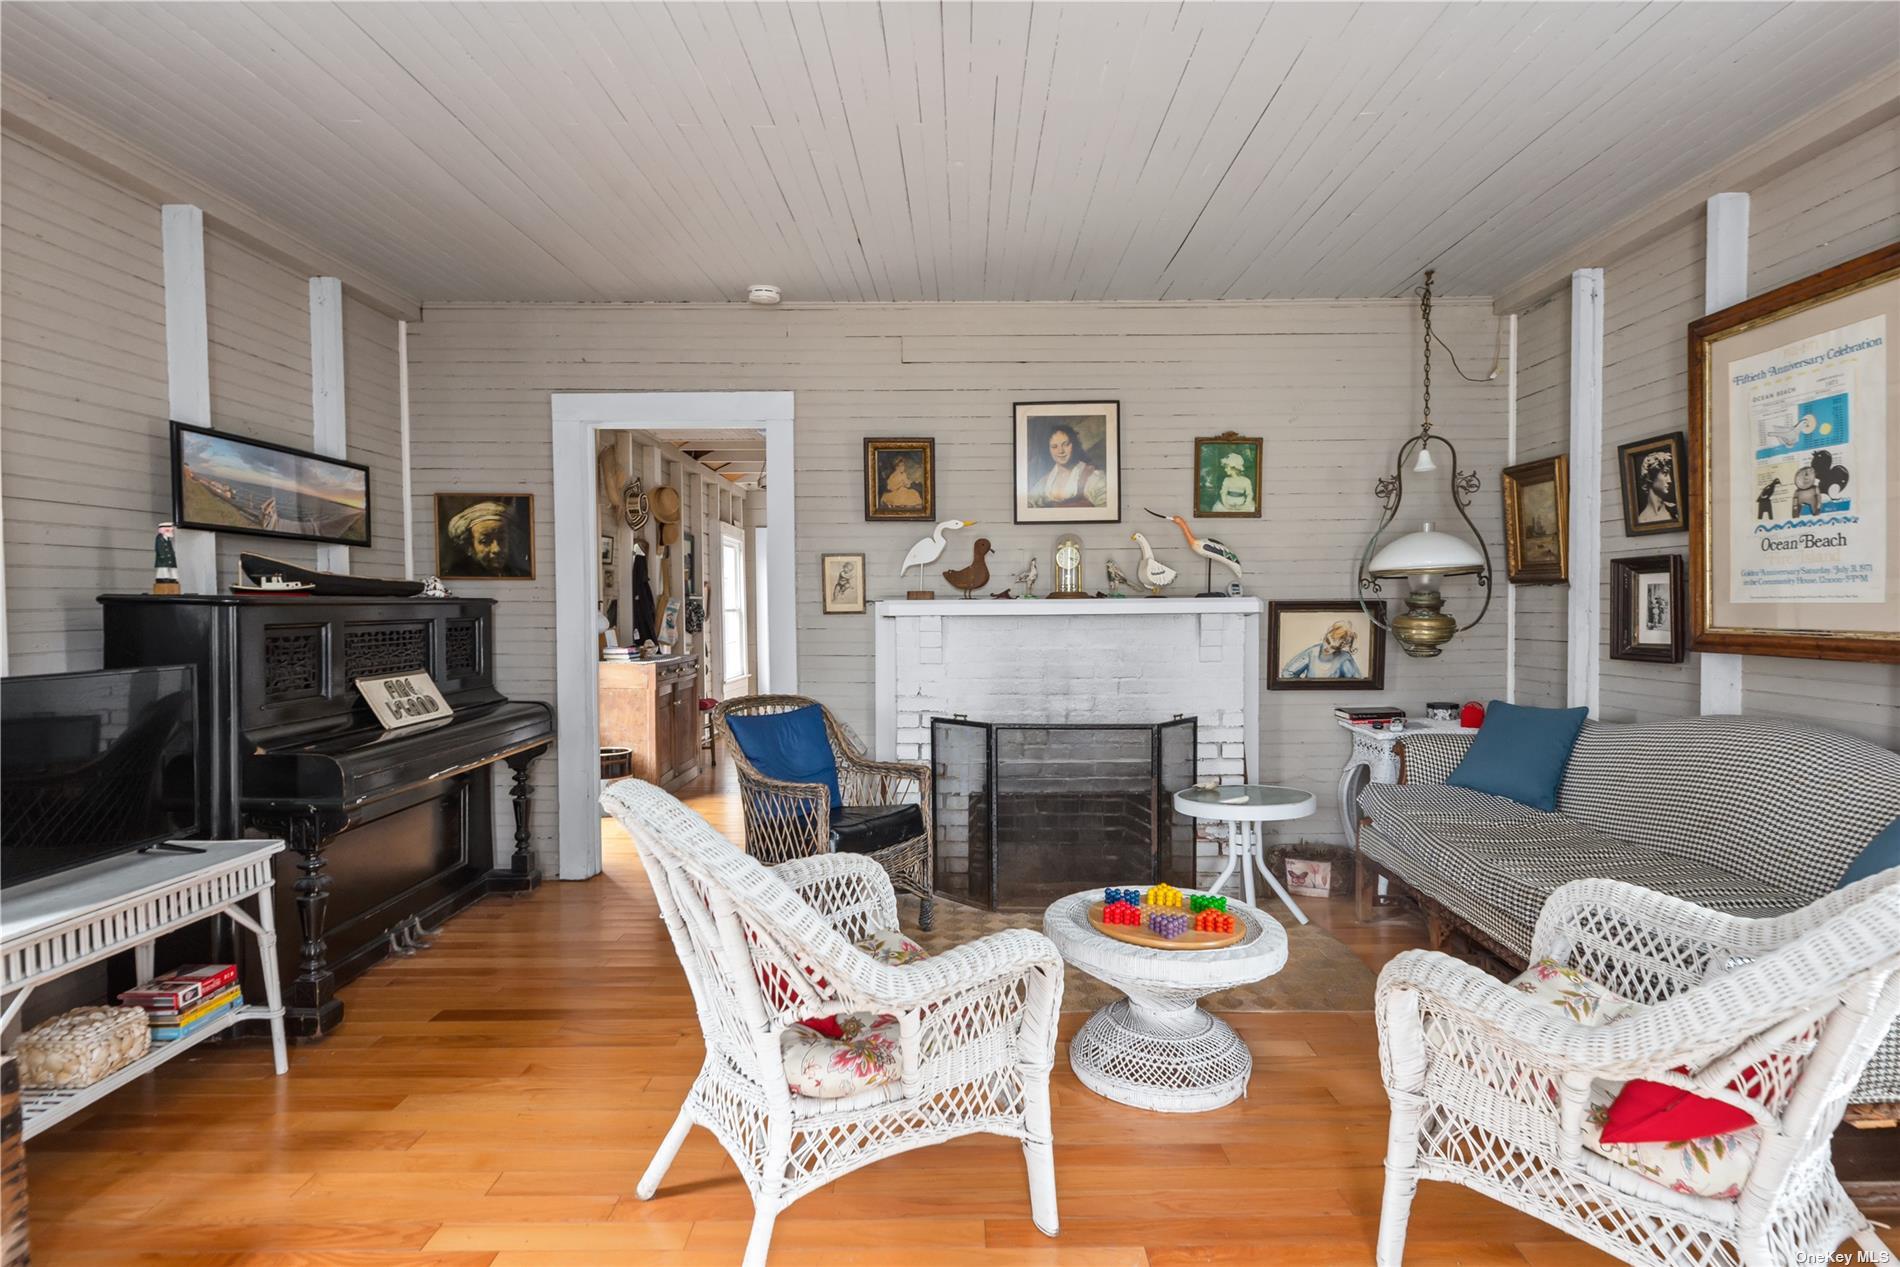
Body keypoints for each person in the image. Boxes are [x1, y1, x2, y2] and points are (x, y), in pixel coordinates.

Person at [1026, 423, 1107, 509]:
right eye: (1054, 446)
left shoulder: (1092, 476)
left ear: (1074, 444)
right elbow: (1028, 504)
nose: (1061, 451)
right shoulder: (1046, 481)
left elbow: (1106, 510)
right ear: (1048, 450)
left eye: (1066, 444)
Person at [446, 500, 518, 575]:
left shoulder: (518, 575)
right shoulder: (457, 576)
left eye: (502, 539)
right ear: (469, 547)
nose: (497, 549)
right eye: (485, 541)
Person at [1281, 621, 1364, 680]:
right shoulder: (1312, 653)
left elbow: (1356, 681)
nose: (1327, 647)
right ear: (1325, 636)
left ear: (1340, 647)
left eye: (1333, 647)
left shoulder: (1344, 658)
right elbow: (1287, 673)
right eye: (1327, 641)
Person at [1634, 451, 1677, 524]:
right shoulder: (1642, 520)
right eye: (1665, 473)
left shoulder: (1675, 510)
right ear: (1650, 477)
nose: (1670, 480)